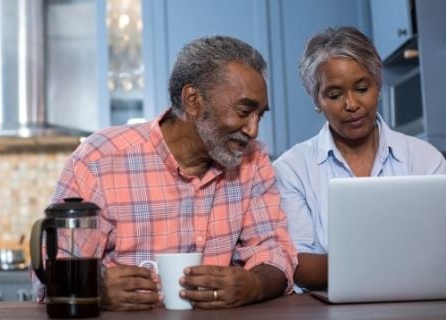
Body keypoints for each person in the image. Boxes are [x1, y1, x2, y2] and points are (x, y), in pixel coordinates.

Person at [33, 35, 297, 310]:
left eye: (260, 115)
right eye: (244, 111)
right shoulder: (99, 159)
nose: (253, 130)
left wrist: (253, 285)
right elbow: (50, 268)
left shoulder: (253, 161)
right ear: (193, 100)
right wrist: (93, 287)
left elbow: (275, 253)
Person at [272, 26, 446, 291]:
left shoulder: (425, 159)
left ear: (378, 85)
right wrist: (398, 263)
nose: (351, 104)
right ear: (316, 99)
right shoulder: (291, 169)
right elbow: (298, 264)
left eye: (362, 88)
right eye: (334, 95)